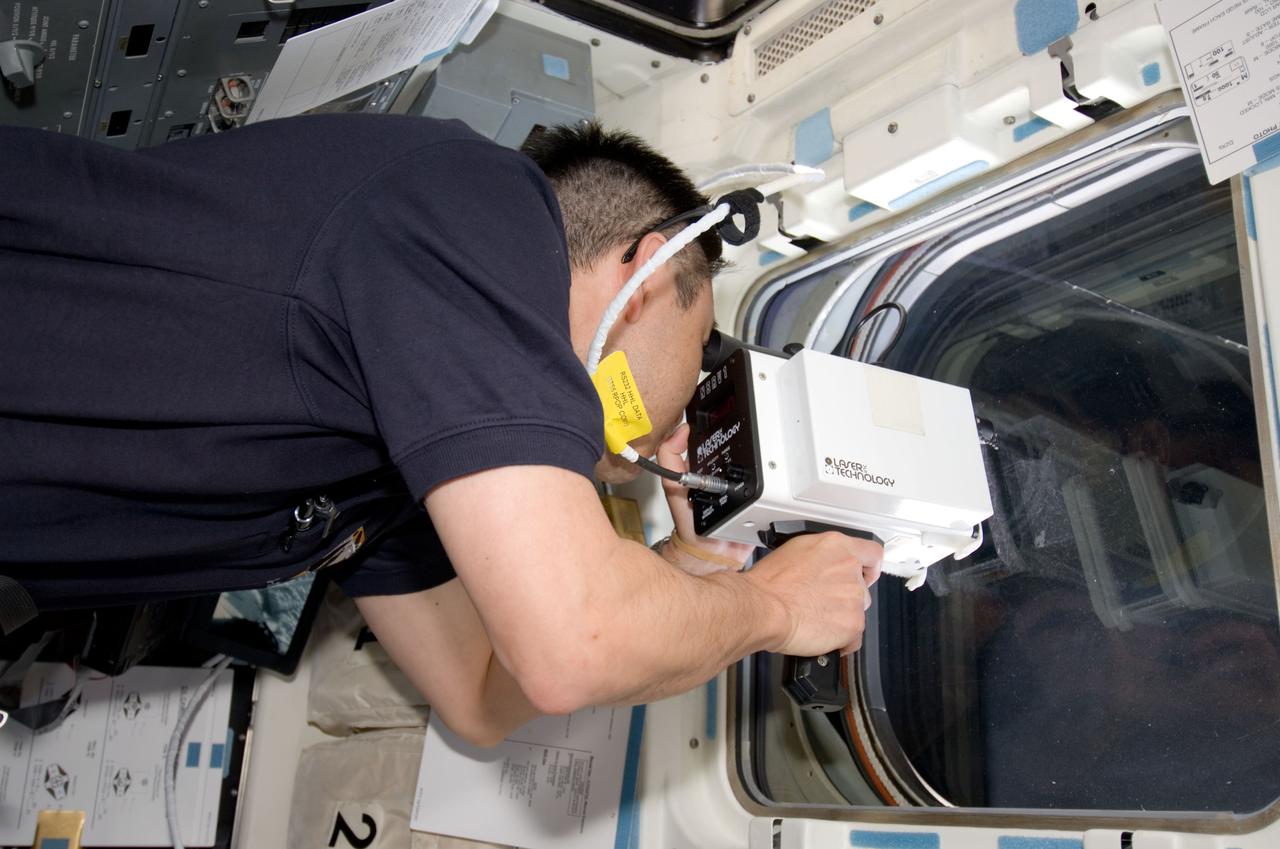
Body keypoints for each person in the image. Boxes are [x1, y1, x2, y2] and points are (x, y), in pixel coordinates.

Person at [0, 114, 882, 745]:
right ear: (646, 272)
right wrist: (773, 605)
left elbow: (480, 701)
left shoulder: (401, 449)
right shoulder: (471, 205)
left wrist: (691, 567)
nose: (669, 429)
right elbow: (572, 647)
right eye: (696, 349)